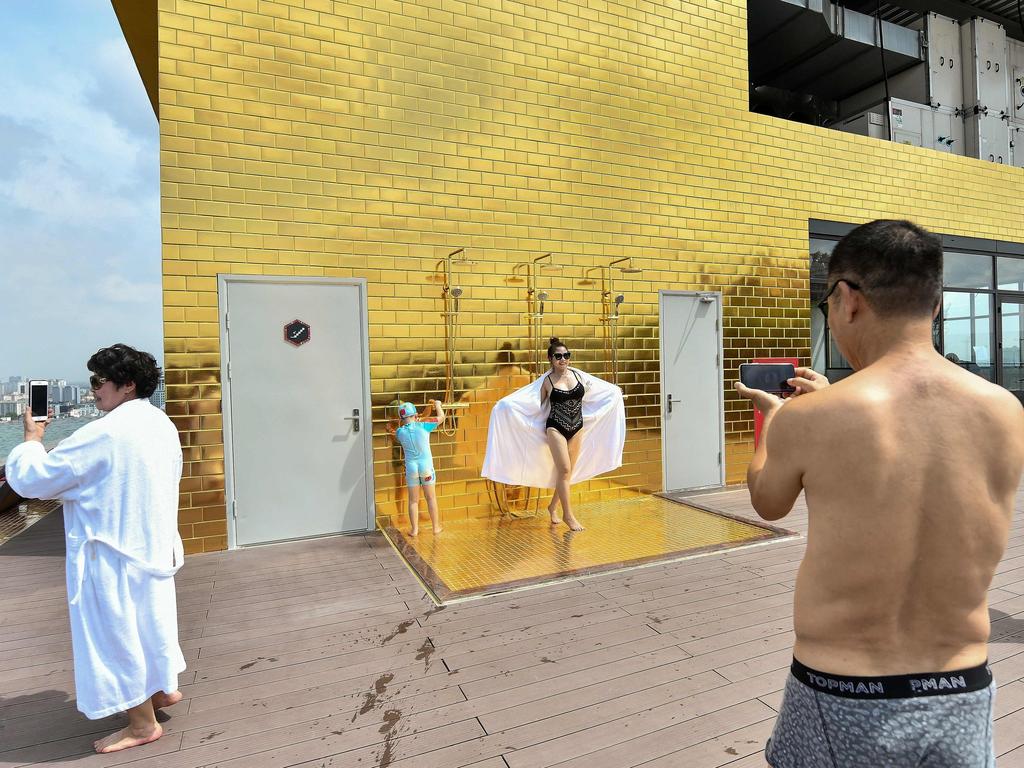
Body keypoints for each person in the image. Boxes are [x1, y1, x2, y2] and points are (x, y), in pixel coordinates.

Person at [735, 220, 1024, 767]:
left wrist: (773, 422)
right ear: (935, 307)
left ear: (846, 299)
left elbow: (767, 502)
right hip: (959, 687)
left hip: (840, 689)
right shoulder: (1005, 412)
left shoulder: (811, 417)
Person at [4, 344, 186, 754]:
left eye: (99, 381)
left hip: (111, 555)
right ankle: (161, 691)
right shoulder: (160, 422)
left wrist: (31, 439)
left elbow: (34, 480)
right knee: (150, 624)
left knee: (114, 635)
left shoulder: (104, 433)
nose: (93, 391)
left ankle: (141, 725)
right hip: (152, 547)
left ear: (127, 384)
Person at [482, 337, 626, 531]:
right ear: (550, 359)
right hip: (555, 428)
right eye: (558, 356)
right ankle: (568, 515)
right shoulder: (546, 382)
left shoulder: (579, 377)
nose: (563, 359)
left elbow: (602, 391)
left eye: (566, 355)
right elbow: (529, 403)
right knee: (565, 470)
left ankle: (552, 506)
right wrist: (503, 407)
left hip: (577, 428)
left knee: (567, 473)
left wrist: (616, 393)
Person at [394, 399, 445, 536]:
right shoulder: (424, 426)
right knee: (431, 498)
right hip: (426, 467)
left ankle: (414, 530)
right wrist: (438, 406)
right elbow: (441, 418)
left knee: (413, 500)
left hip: (411, 469)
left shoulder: (399, 432)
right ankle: (435, 528)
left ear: (401, 418)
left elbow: (409, 425)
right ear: (415, 415)